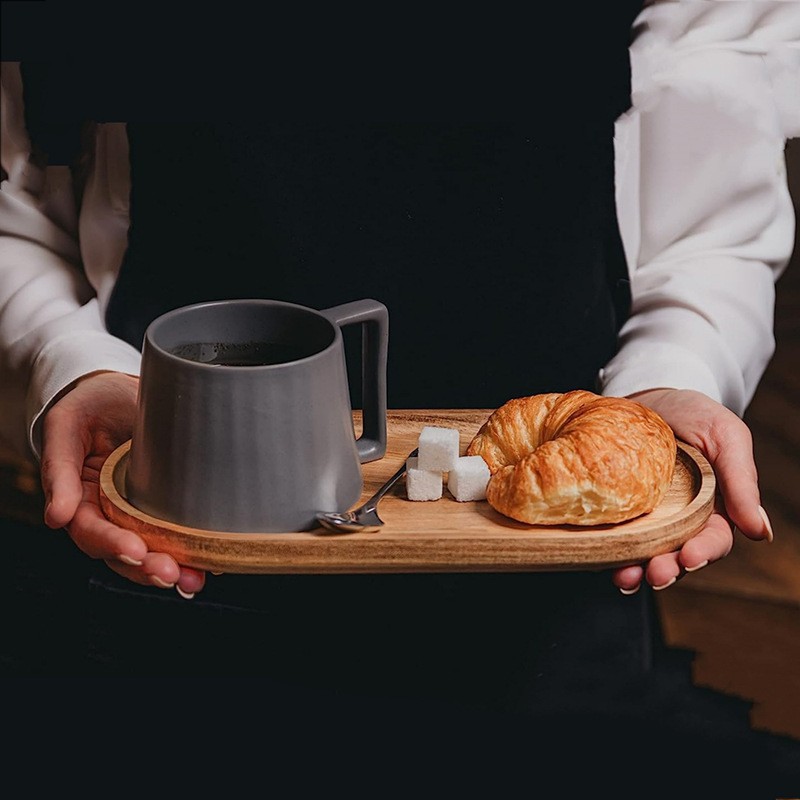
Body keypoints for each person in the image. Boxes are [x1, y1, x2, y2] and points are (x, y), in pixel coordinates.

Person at [2, 0, 799, 792]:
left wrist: (673, 376)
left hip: (550, 596)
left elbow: (711, 208)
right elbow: (15, 197)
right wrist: (74, 362)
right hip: (173, 539)